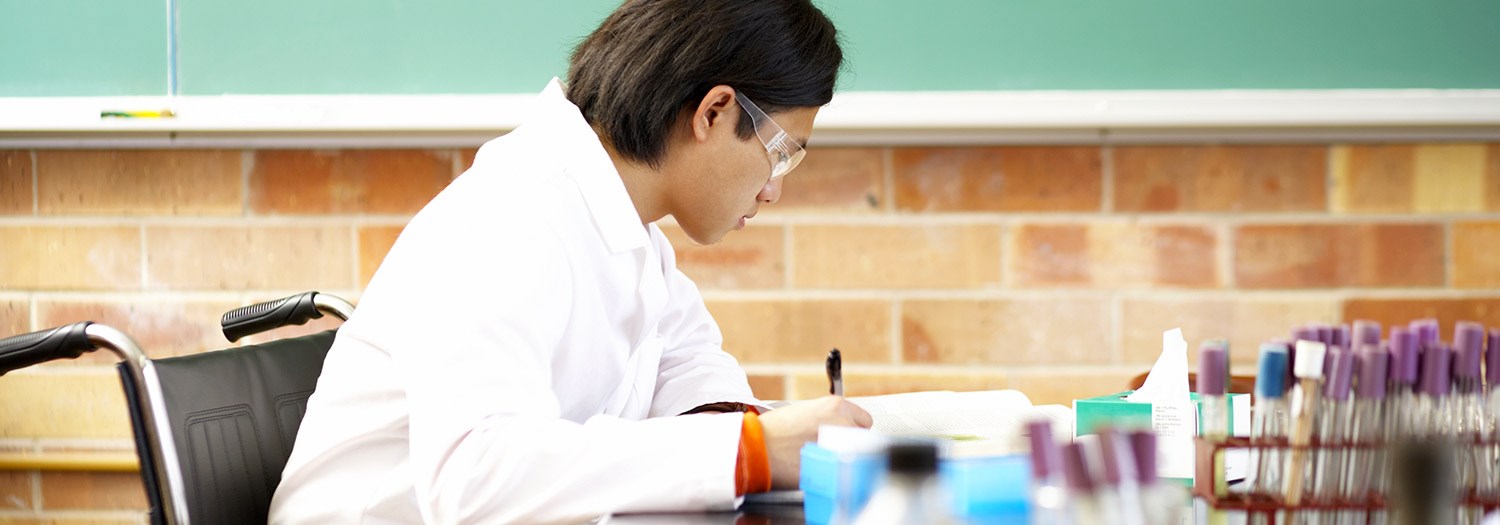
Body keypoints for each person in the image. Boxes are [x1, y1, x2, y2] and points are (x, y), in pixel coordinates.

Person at [268, 0, 873, 523]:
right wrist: (751, 450)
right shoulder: (510, 216)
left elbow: (688, 366)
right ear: (712, 112)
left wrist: (754, 432)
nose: (773, 190)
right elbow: (474, 478)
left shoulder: (630, 232)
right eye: (782, 153)